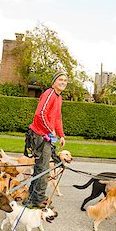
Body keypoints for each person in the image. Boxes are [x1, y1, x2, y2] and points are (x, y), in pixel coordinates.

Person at [25, 70, 68, 207]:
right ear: (54, 82)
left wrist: (61, 135)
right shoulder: (49, 94)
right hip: (39, 135)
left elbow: (57, 118)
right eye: (60, 79)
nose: (63, 82)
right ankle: (38, 200)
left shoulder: (58, 97)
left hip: (47, 136)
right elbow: (40, 114)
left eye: (65, 80)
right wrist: (50, 131)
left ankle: (32, 197)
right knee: (43, 169)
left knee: (42, 168)